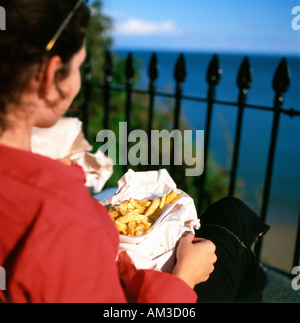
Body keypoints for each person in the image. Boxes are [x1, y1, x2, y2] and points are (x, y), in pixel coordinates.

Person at [0, 0, 268, 303]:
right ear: (51, 78)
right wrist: (186, 276)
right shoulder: (60, 219)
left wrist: (61, 174)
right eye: (79, 65)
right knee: (236, 217)